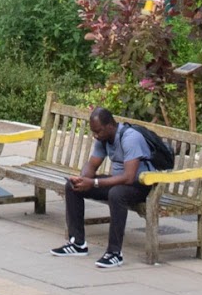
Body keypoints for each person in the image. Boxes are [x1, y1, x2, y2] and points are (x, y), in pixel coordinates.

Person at [50, 108, 149, 270]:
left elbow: (129, 177)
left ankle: (114, 253)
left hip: (141, 185)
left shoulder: (130, 138)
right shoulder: (103, 138)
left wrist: (94, 182)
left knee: (116, 194)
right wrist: (81, 180)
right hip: (118, 182)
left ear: (110, 125)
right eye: (93, 132)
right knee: (72, 187)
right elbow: (92, 164)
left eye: (98, 131)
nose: (96, 135)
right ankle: (77, 243)